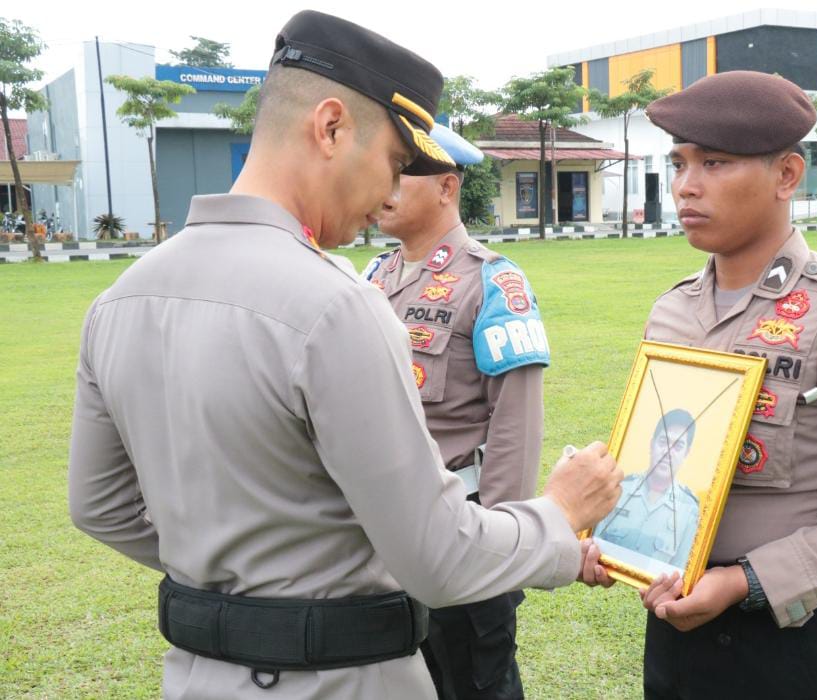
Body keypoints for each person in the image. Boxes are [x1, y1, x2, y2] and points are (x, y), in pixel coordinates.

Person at [67, 11, 622, 700]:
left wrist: (248, 573)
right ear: (330, 128)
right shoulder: (335, 304)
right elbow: (437, 558)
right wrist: (560, 510)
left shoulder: (119, 299)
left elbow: (100, 507)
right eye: (393, 162)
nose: (389, 194)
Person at [579, 70, 817, 699]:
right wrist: (607, 537)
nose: (687, 186)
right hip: (673, 628)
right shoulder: (672, 311)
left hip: (786, 639)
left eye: (716, 163)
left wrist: (745, 582)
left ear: (787, 176)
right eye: (680, 163)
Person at [367, 124, 548, 700]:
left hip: (460, 525)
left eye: (402, 175)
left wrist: (502, 545)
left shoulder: (492, 283)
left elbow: (517, 426)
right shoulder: (373, 277)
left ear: (446, 187)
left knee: (475, 683)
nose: (385, 188)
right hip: (377, 531)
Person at [593, 409, 700, 571]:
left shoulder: (689, 510)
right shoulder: (619, 488)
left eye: (678, 446)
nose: (668, 452)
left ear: (686, 454)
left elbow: (678, 572)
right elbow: (594, 547)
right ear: (652, 444)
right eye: (663, 442)